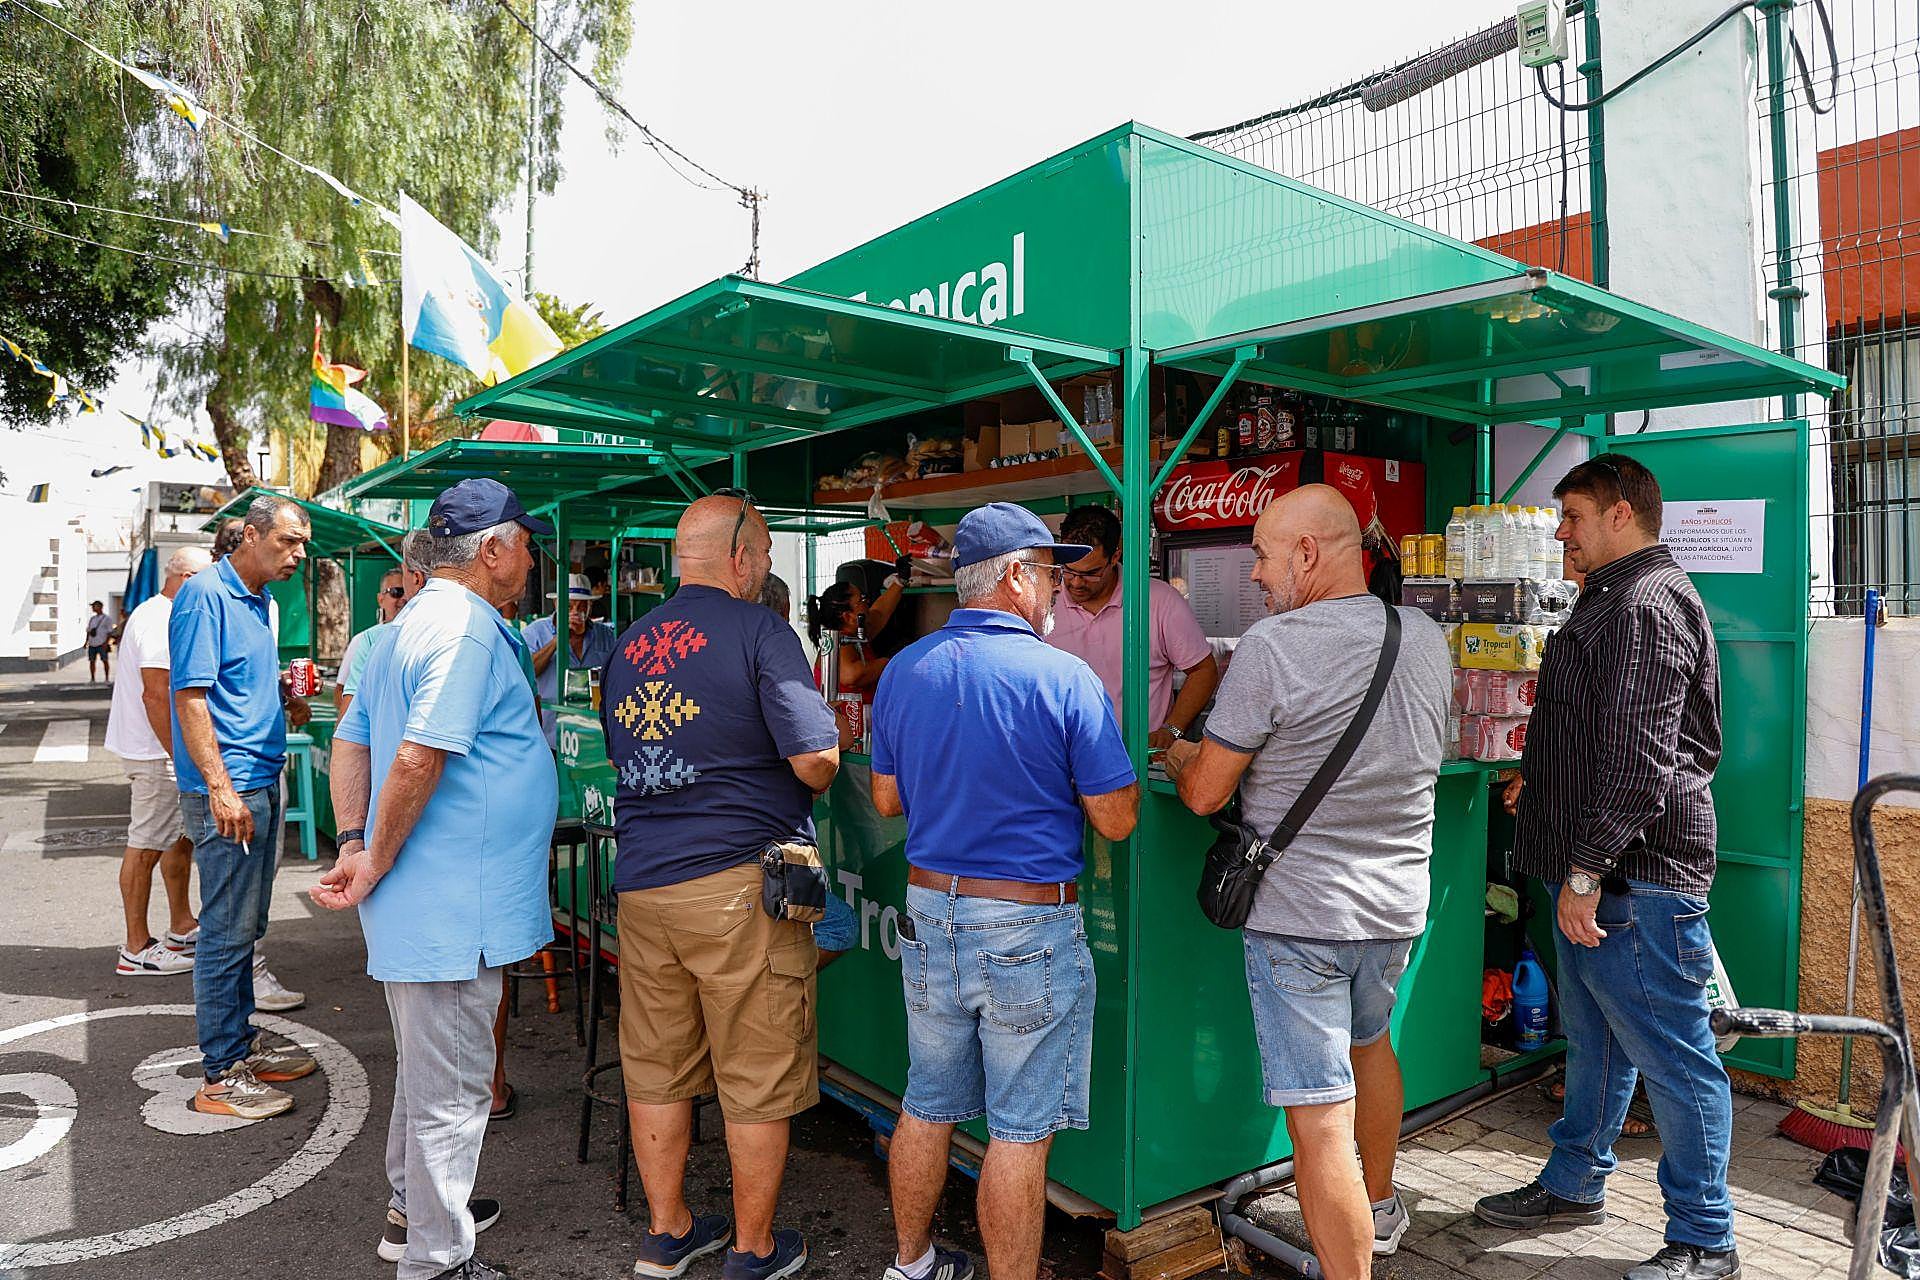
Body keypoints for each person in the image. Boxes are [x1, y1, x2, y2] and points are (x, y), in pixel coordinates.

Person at [1161, 485, 1450, 1280]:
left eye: (1260, 552)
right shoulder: (1424, 636)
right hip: (1396, 907)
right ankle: (1383, 1202)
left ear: (1308, 552)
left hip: (1303, 917)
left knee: (1320, 1124)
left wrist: (1179, 752)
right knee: (1372, 1045)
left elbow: (1205, 793)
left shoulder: (1273, 647)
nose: (1253, 573)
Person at [1473, 455, 1734, 1280]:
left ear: (1621, 514)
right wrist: (1540, 783)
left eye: (1573, 518)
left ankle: (1706, 1237)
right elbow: (1598, 732)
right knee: (1595, 1045)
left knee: (1675, 1056)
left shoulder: (1648, 603)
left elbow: (1643, 755)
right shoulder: (1615, 596)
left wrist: (1587, 870)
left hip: (1635, 876)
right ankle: (1575, 1182)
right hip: (1598, 867)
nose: (1560, 535)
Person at [869, 502, 1139, 1280]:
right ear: (1017, 576)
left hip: (928, 913)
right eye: (1051, 571)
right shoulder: (1065, 678)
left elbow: (886, 800)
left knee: (927, 1102)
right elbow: (1117, 820)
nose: (1057, 587)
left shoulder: (907, 669)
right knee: (1018, 1132)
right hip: (1024, 925)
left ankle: (911, 1266)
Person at [313, 478, 555, 1280]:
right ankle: (438, 1260)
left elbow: (352, 741)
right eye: (523, 541)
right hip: (453, 905)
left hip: (429, 902)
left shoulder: (409, 623)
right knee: (453, 1093)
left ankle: (413, 1214)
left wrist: (355, 839)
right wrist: (371, 854)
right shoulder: (464, 631)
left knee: (429, 1076)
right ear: (492, 550)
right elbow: (417, 756)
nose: (530, 556)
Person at [604, 492, 839, 1280]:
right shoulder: (762, 632)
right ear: (738, 554)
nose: (768, 567)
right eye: (768, 553)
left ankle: (667, 1234)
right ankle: (753, 1249)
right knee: (756, 1072)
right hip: (739, 886)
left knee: (658, 1064)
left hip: (643, 886)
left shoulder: (628, 643)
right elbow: (814, 760)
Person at [171, 494, 317, 1119]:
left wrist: (282, 697)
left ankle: (236, 1047)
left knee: (246, 926)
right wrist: (220, 786)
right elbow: (191, 698)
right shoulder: (206, 595)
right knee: (226, 933)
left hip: (260, 779)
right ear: (252, 536)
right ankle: (221, 1075)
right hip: (230, 789)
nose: (299, 553)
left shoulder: (260, 600)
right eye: (288, 541)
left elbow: (230, 687)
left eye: (302, 542)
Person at [106, 545, 211, 975]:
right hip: (155, 752)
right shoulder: (159, 617)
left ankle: (181, 924)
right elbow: (155, 693)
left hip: (157, 749)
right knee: (146, 844)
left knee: (175, 839)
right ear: (186, 579)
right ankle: (136, 947)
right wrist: (180, 754)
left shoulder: (162, 612)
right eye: (204, 581)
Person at [1046, 504, 1219, 746]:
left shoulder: (1158, 600)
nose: (1075, 583)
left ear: (1115, 556)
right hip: (1062, 757)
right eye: (1068, 570)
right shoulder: (1045, 600)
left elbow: (1203, 670)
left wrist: (1173, 730)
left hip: (1135, 760)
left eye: (1090, 573)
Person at [760, 572, 855, 967]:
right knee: (840, 926)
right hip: (766, 853)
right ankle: (768, 986)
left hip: (698, 854)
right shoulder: (773, 654)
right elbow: (818, 765)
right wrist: (835, 736)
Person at [337, 534, 431, 721]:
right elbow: (346, 698)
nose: (403, 598)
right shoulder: (368, 639)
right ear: (380, 599)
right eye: (396, 592)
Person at [524, 572, 618, 747]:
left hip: (592, 734)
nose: (575, 612)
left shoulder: (604, 635)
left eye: (582, 606)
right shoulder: (535, 632)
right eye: (568, 606)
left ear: (590, 606)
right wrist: (558, 639)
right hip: (547, 735)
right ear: (556, 604)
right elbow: (527, 671)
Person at [85, 600, 114, 681]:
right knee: (92, 661)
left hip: (102, 643)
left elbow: (109, 632)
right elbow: (89, 631)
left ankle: (107, 677)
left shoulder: (107, 618)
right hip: (92, 643)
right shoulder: (92, 619)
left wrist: (106, 643)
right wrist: (86, 642)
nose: (93, 608)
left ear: (100, 607)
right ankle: (92, 678)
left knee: (105, 660)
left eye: (94, 606)